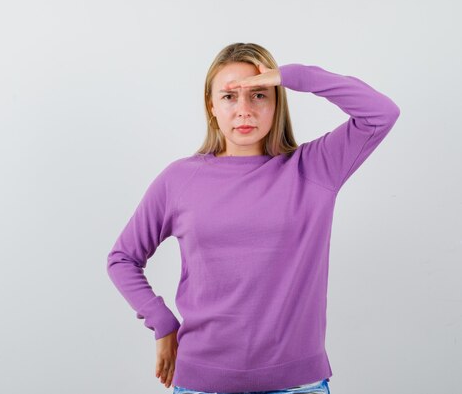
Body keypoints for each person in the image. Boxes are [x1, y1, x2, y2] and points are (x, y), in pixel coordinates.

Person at [106, 42, 400, 394]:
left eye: (259, 95)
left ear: (277, 104)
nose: (244, 110)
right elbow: (122, 258)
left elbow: (381, 113)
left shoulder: (314, 168)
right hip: (203, 383)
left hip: (298, 385)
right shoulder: (179, 180)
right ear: (211, 106)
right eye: (230, 97)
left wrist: (293, 76)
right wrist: (163, 323)